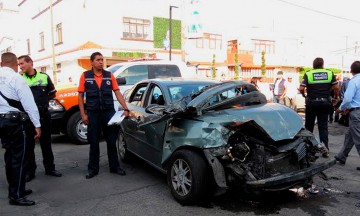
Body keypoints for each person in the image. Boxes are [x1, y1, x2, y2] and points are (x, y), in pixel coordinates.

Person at [78, 52, 130, 179]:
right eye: (98, 60)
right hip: (93, 113)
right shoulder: (85, 76)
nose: (101, 62)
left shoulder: (109, 76)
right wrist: (83, 114)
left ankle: (115, 167)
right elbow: (80, 96)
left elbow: (117, 92)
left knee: (111, 141)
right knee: (94, 142)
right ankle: (93, 169)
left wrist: (125, 108)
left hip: (108, 112)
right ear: (92, 62)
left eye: (102, 60)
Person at [0, 52, 41, 206]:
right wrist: (37, 125)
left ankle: (17, 188)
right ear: (15, 65)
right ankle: (16, 195)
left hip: (1, 122)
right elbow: (29, 104)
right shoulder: (17, 78)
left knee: (10, 157)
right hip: (14, 123)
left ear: (1, 63)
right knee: (19, 158)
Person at [18, 55, 62, 182]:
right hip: (27, 117)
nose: (20, 66)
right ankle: (30, 172)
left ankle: (50, 169)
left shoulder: (44, 76)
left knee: (46, 144)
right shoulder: (20, 79)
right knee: (29, 146)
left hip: (43, 116)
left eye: (22, 64)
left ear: (30, 62)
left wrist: (42, 104)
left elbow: (52, 93)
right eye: (19, 64)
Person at [299, 57, 339, 156]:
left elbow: (301, 88)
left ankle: (308, 150)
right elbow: (336, 87)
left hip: (311, 103)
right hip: (325, 103)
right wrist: (336, 97)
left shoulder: (308, 73)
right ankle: (325, 151)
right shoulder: (329, 73)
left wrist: (304, 95)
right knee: (323, 127)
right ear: (322, 64)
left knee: (309, 127)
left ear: (313, 64)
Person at [334, 61, 360, 169]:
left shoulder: (353, 82)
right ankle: (342, 156)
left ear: (351, 71)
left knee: (358, 138)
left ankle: (342, 156)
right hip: (355, 111)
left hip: (356, 113)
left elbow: (348, 98)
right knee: (349, 135)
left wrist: (341, 108)